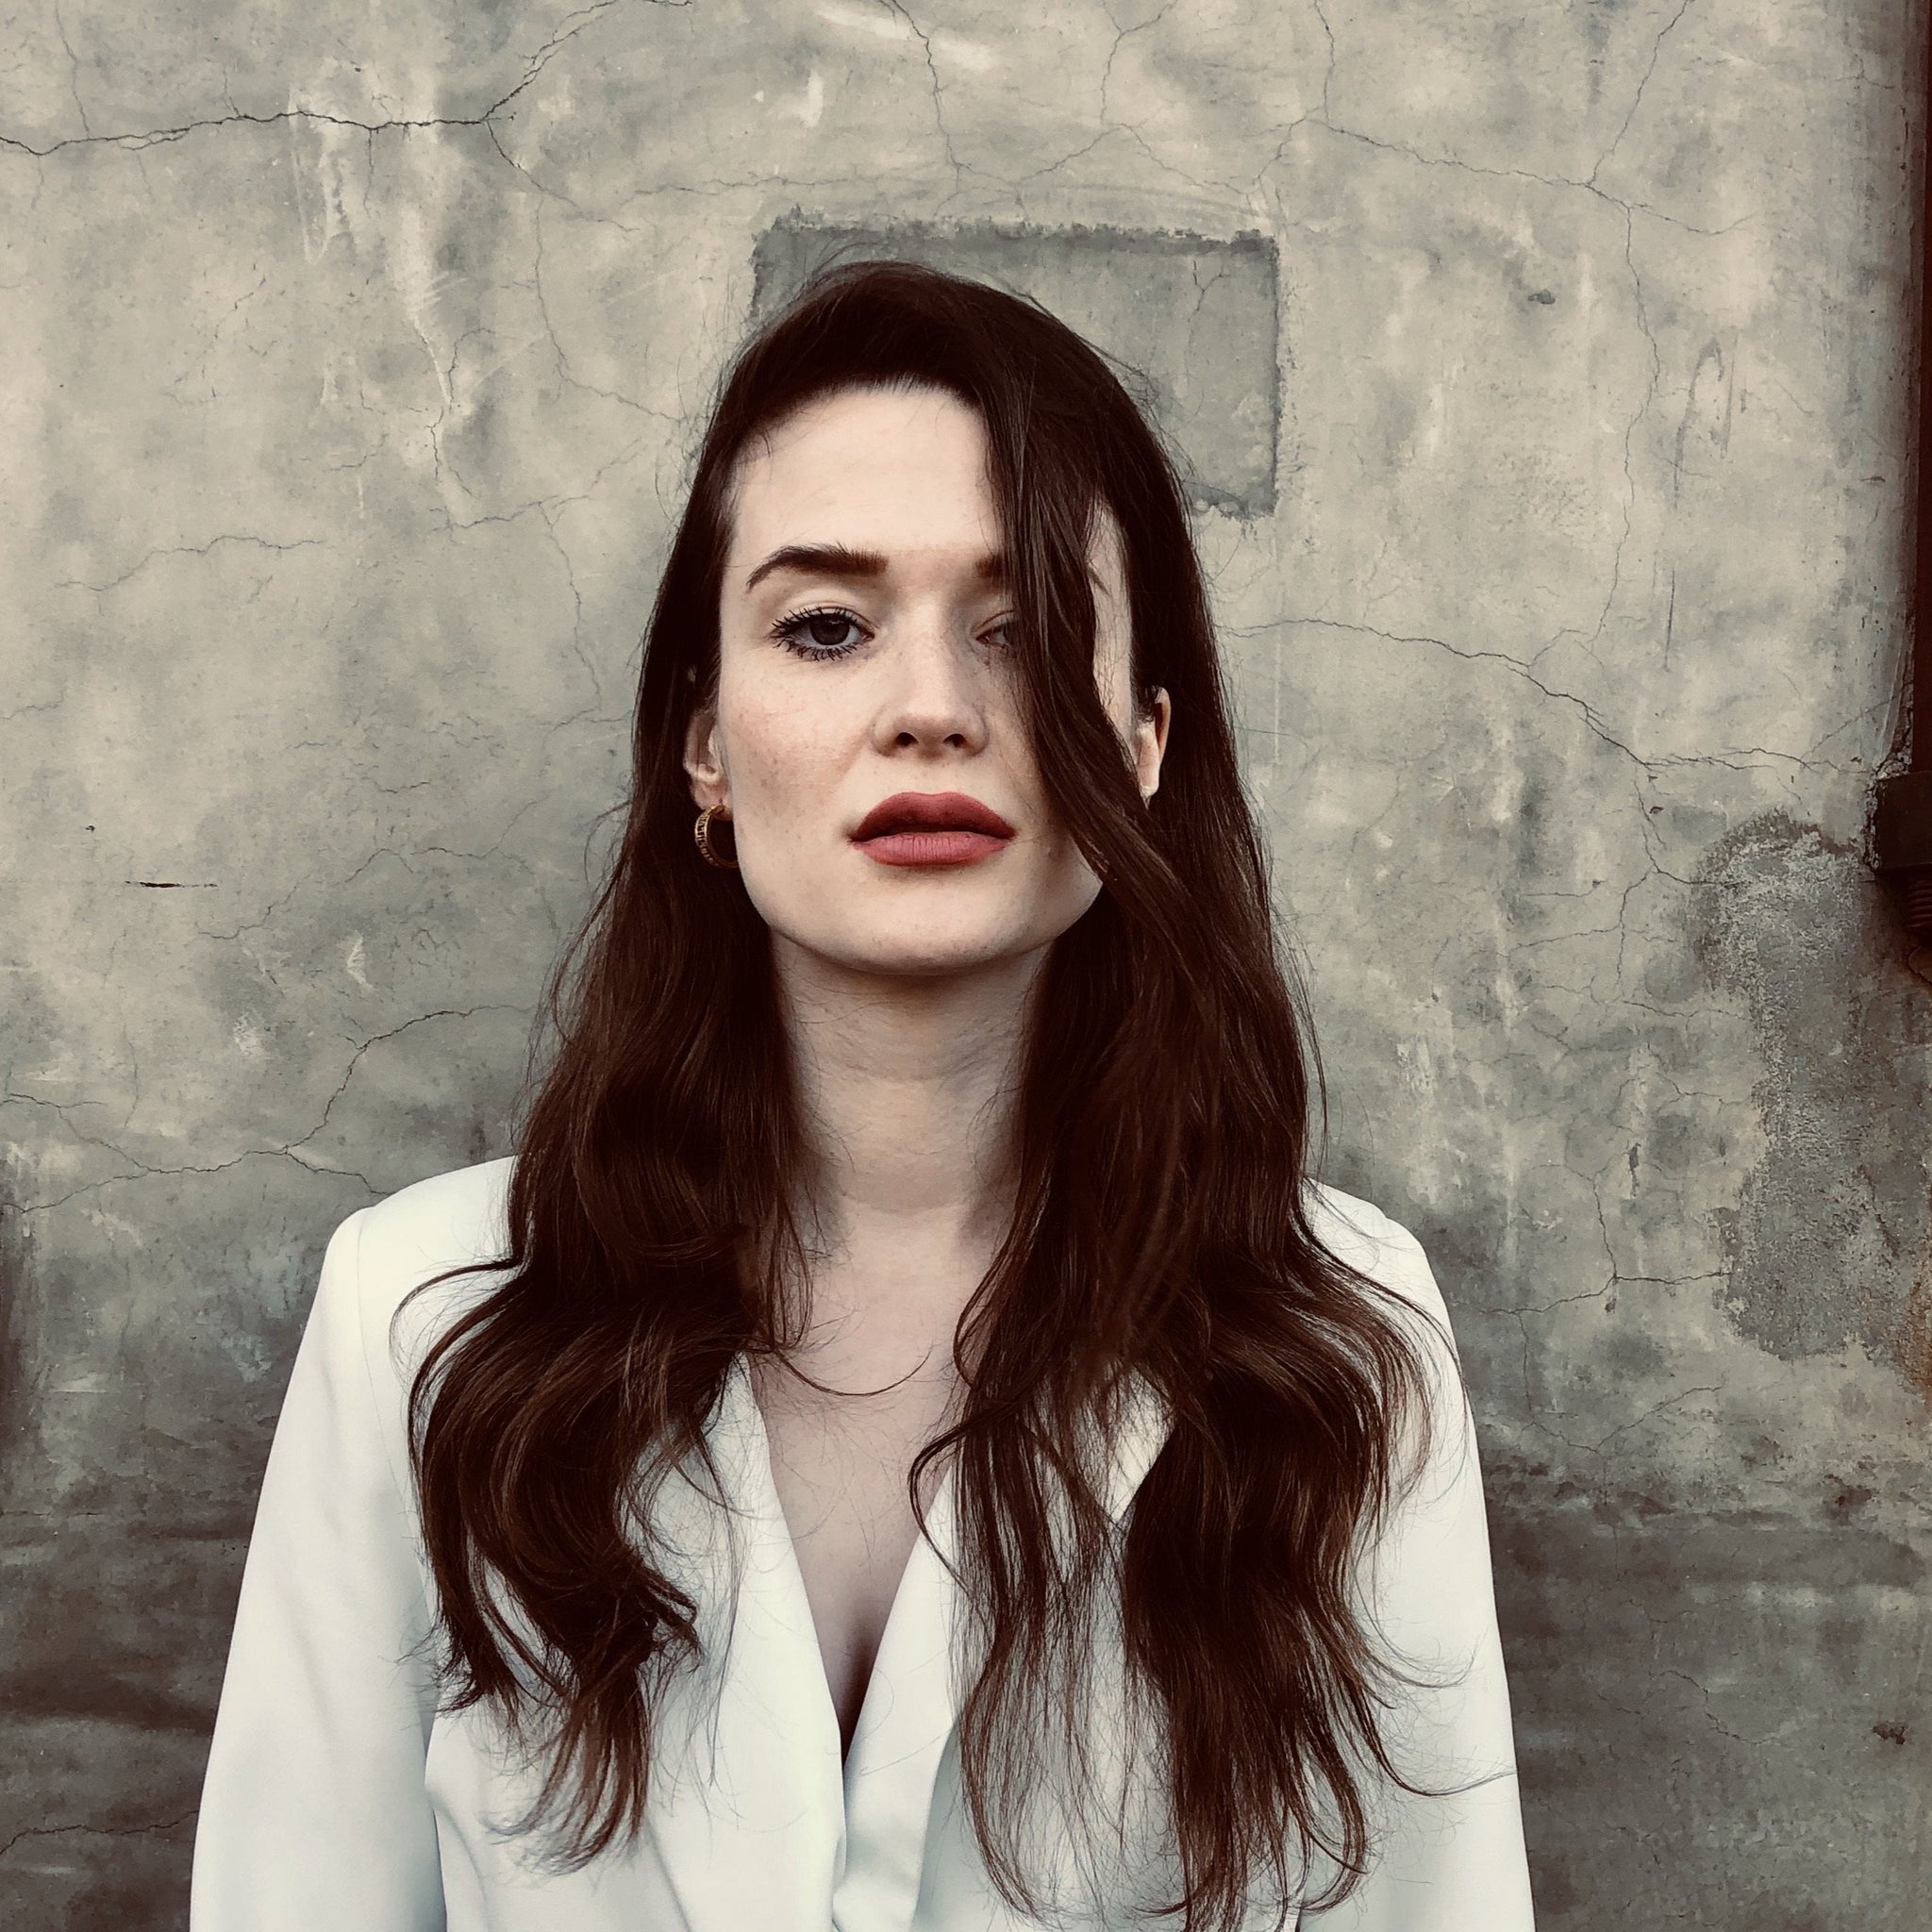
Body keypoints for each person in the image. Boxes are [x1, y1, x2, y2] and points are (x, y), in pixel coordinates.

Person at [190, 259, 1535, 1931]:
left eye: (1027, 629)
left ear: (1143, 745)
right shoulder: (425, 1314)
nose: (932, 711)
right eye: (826, 626)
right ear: (704, 745)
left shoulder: (1345, 1341)